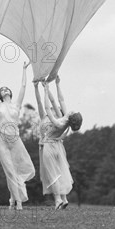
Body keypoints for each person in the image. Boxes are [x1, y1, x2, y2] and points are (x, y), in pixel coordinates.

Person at [0, 61, 35, 210]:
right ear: (0, 95)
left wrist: (24, 69)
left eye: (6, 89)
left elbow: (23, 87)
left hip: (16, 140)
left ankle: (13, 197)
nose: (4, 90)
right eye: (2, 90)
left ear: (10, 93)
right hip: (2, 141)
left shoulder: (16, 104)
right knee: (10, 171)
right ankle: (18, 202)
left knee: (23, 168)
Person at [38, 77, 82, 209]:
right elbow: (60, 99)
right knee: (60, 172)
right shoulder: (67, 120)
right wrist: (57, 84)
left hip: (49, 146)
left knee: (52, 174)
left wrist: (45, 91)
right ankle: (64, 197)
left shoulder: (59, 122)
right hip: (58, 146)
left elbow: (47, 107)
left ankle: (58, 200)